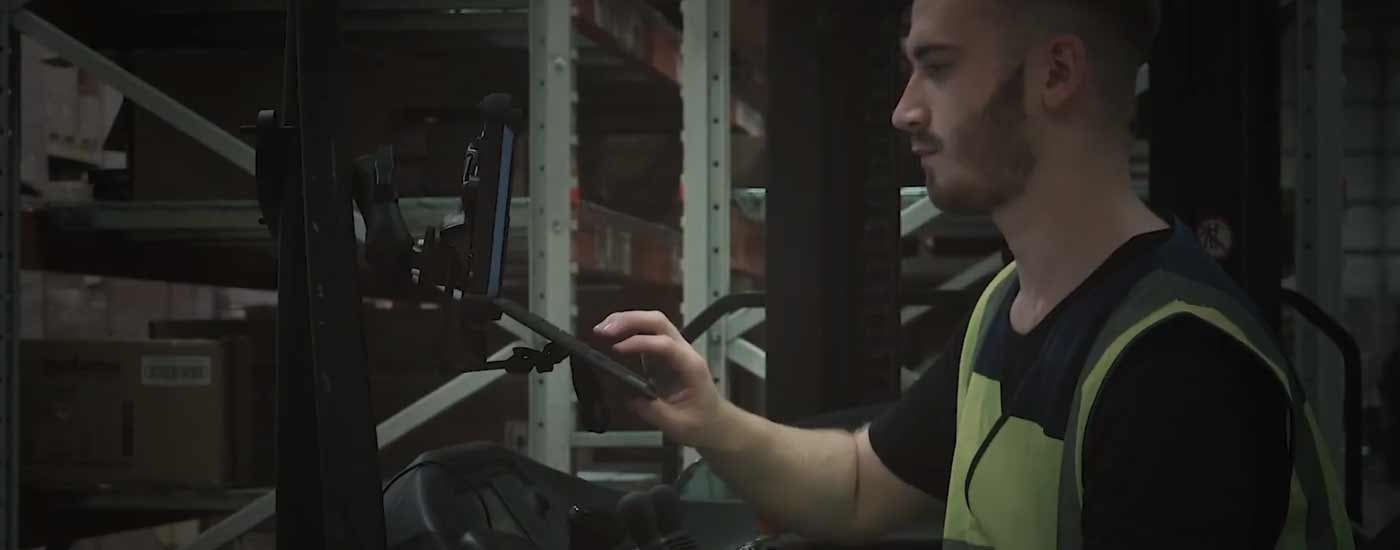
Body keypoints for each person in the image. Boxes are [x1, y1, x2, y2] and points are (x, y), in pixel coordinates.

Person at [593, 0, 1354, 548]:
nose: (903, 110)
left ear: (1057, 73)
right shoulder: (1011, 304)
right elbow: (862, 485)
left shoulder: (1176, 372)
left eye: (938, 69)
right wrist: (709, 420)